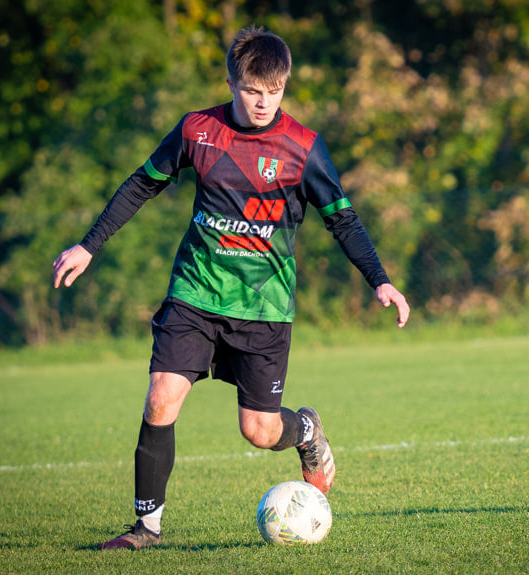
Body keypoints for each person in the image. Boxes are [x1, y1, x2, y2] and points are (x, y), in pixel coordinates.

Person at [52, 26, 410, 550]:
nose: (263, 103)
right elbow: (140, 184)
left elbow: (344, 220)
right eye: (252, 91)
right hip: (194, 295)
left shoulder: (303, 148)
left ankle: (306, 431)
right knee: (160, 399)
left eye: (274, 92)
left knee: (260, 432)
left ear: (284, 87)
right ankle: (145, 529)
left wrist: (380, 281)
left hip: (263, 309)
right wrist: (89, 245)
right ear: (231, 82)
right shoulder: (197, 131)